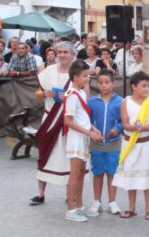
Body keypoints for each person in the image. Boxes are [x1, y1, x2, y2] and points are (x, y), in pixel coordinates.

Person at [29, 41, 77, 206]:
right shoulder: (48, 71)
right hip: (50, 118)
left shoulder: (78, 73)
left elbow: (86, 97)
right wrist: (44, 93)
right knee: (45, 154)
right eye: (60, 52)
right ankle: (40, 193)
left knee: (68, 156)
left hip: (69, 121)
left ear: (72, 55)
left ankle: (70, 194)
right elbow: (36, 94)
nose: (62, 55)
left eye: (66, 52)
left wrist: (70, 98)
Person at [112, 71, 149, 220]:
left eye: (148, 86)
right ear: (134, 86)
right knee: (131, 176)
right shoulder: (125, 102)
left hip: (146, 144)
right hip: (130, 144)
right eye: (143, 86)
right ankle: (131, 208)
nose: (146, 89)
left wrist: (143, 128)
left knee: (147, 176)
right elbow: (125, 123)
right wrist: (135, 127)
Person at [64, 59, 102, 222]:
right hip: (76, 138)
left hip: (83, 136)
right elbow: (68, 121)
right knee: (74, 173)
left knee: (81, 173)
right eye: (85, 76)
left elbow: (83, 117)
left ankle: (79, 205)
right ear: (76, 77)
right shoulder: (72, 95)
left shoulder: (79, 93)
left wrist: (93, 129)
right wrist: (89, 131)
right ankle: (70, 210)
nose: (88, 79)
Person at [87, 69, 123, 217]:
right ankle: (97, 201)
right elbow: (86, 120)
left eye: (107, 82)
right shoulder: (92, 101)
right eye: (101, 83)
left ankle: (112, 202)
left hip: (114, 143)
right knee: (98, 172)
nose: (104, 86)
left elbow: (124, 121)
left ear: (113, 84)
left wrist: (117, 128)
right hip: (96, 143)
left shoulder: (121, 101)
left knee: (112, 172)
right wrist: (92, 130)